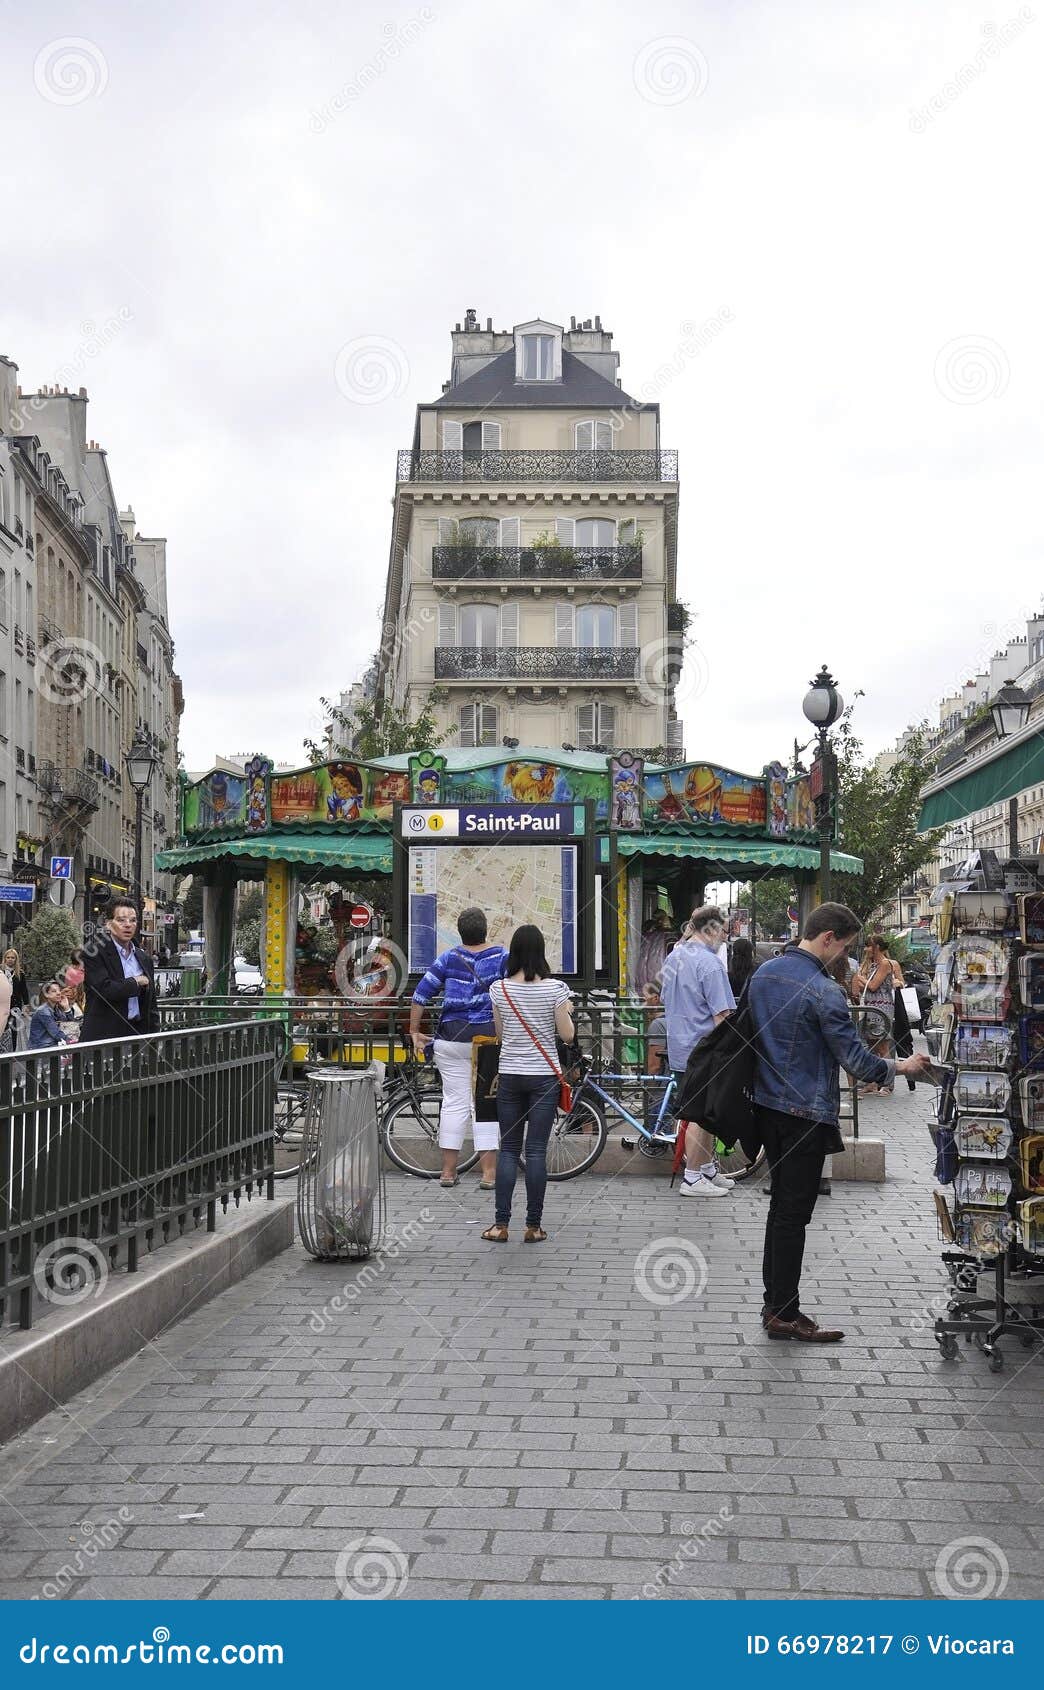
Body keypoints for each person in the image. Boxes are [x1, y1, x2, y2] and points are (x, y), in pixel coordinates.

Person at [748, 903, 929, 1343]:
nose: (845, 957)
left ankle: (776, 1305)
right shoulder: (822, 991)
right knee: (793, 1214)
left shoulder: (763, 975)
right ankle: (783, 1314)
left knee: (780, 1211)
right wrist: (902, 1067)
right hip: (804, 1112)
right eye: (844, 947)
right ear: (828, 937)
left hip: (766, 1106)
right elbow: (855, 1059)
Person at [482, 925, 575, 1243]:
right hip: (543, 1079)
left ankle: (500, 1225)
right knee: (535, 1151)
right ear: (541, 951)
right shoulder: (556, 990)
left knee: (508, 1150)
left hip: (509, 1075)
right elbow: (567, 1036)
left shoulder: (500, 989)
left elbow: (501, 1034)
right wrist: (567, 1013)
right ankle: (533, 1226)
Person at [409, 907, 507, 1190]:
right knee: (485, 1104)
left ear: (461, 931)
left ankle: (448, 1173)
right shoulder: (502, 957)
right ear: (485, 929)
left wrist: (415, 1032)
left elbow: (420, 996)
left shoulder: (449, 957)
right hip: (487, 1039)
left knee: (453, 1104)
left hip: (450, 1039)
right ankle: (488, 1175)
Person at [661, 905, 736, 1196]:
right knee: (701, 1115)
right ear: (712, 929)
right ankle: (693, 1178)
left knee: (699, 1111)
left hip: (680, 1046)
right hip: (705, 1049)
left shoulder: (674, 956)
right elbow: (722, 1016)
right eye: (724, 931)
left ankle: (705, 1169)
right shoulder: (710, 963)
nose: (724, 937)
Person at [81, 899, 159, 1043]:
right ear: (108, 924)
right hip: (105, 1036)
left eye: (133, 920)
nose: (128, 925)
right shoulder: (94, 953)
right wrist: (136, 981)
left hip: (137, 1033)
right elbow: (106, 989)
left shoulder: (144, 958)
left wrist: (154, 1038)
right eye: (121, 920)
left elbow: (151, 1003)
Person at [853, 935, 904, 1094]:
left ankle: (887, 1084)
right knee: (872, 1046)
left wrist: (855, 975)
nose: (866, 949)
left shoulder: (884, 964)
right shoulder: (873, 965)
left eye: (868, 946)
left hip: (880, 1009)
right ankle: (872, 1082)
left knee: (882, 1046)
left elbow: (873, 986)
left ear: (876, 947)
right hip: (870, 1008)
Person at [28, 982, 72, 1050]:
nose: (59, 993)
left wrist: (67, 1008)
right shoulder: (43, 1011)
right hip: (41, 1049)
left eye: (59, 990)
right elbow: (56, 1034)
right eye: (54, 991)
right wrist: (73, 1042)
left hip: (52, 1046)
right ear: (46, 994)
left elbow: (69, 1026)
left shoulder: (56, 1009)